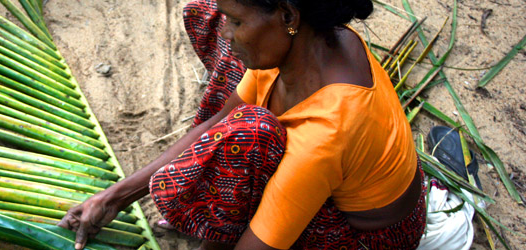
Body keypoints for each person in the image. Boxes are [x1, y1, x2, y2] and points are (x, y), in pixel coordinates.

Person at [58, 0, 427, 249]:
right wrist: (114, 198)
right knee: (206, 21)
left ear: (288, 17)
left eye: (235, 21)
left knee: (248, 136)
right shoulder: (305, 47)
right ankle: (216, 207)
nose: (223, 31)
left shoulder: (327, 132)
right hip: (316, 173)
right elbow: (216, 123)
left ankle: (219, 224)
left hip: (365, 237)